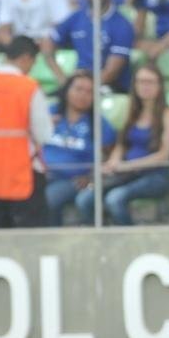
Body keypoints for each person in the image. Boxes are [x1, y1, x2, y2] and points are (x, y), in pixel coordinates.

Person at [0, 35, 54, 229]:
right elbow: (44, 134)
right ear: (25, 58)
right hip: (25, 176)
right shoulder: (28, 87)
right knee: (31, 237)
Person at [76, 64, 169, 225]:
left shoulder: (168, 114)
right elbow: (122, 144)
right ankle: (104, 238)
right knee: (85, 199)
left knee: (115, 199)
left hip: (155, 176)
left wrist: (127, 165)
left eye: (150, 82)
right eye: (140, 81)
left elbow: (164, 155)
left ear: (160, 85)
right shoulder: (133, 112)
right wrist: (113, 162)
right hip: (126, 174)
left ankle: (129, 243)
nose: (145, 86)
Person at [45, 0, 135, 92]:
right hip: (78, 85)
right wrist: (64, 80)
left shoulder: (122, 25)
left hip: (110, 87)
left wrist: (83, 89)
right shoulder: (76, 17)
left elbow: (111, 72)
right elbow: (48, 44)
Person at [44, 72, 116, 225]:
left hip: (73, 181)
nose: (83, 95)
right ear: (67, 90)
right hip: (42, 175)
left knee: (49, 199)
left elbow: (112, 158)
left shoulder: (98, 124)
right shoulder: (51, 113)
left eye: (89, 92)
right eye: (78, 89)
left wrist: (92, 178)